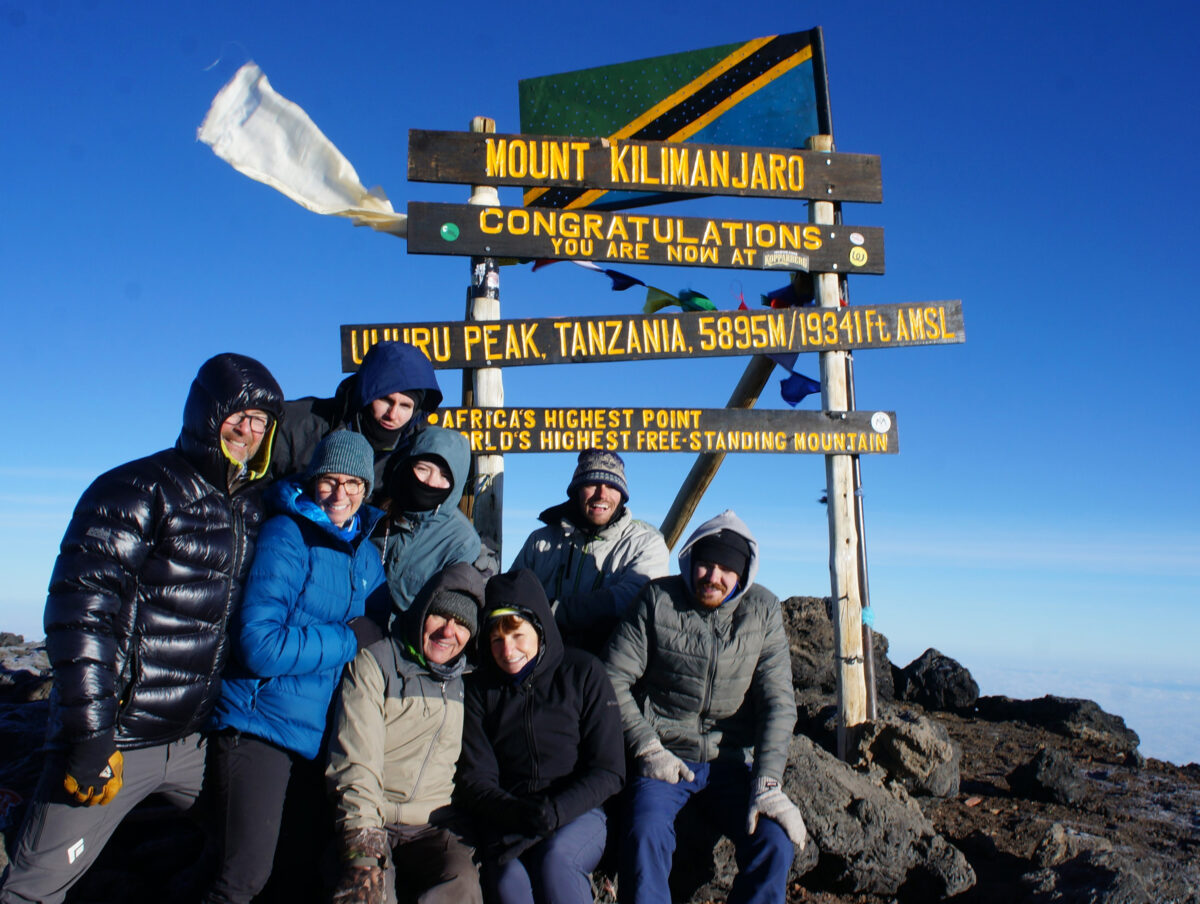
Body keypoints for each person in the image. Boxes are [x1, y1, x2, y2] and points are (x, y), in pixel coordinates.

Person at [0, 353, 284, 904]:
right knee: (34, 887)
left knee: (252, 853)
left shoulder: (253, 508)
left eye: (261, 423)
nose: (248, 431)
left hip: (198, 739)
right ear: (206, 413)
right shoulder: (136, 488)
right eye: (238, 416)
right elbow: (80, 615)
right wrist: (89, 735)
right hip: (121, 738)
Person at [203, 430, 390, 903]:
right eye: (330, 480)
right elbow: (259, 645)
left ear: (366, 489)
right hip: (261, 726)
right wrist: (348, 638)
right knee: (242, 879)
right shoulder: (287, 533)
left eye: (353, 483)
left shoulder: (367, 554)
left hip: (321, 736)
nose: (340, 494)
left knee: (296, 876)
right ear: (312, 480)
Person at [604, 511, 807, 904]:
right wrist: (647, 747)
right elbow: (612, 677)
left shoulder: (763, 611)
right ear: (690, 561)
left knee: (775, 842)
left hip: (730, 763)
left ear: (743, 574)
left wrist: (768, 783)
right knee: (644, 833)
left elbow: (778, 703)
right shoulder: (657, 600)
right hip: (665, 758)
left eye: (726, 569)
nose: (713, 576)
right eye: (705, 564)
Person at [455, 569, 625, 904]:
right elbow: (476, 778)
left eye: (518, 635)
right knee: (507, 882)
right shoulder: (479, 690)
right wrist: (517, 814)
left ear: (540, 628)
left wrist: (555, 811)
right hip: (508, 817)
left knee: (557, 862)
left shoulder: (583, 673)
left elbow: (609, 769)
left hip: (578, 813)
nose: (508, 650)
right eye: (496, 640)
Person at [325, 562, 485, 904]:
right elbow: (355, 760)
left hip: (432, 823)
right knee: (369, 894)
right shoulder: (376, 663)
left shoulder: (466, 680)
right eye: (440, 616)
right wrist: (362, 847)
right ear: (422, 611)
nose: (448, 632)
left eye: (462, 624)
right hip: (373, 816)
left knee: (462, 885)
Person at [510, 449, 668, 654]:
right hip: (539, 661)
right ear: (576, 491)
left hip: (609, 666)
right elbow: (512, 592)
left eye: (612, 486)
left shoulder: (646, 543)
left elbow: (634, 597)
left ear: (622, 495)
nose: (602, 494)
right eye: (591, 484)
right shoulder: (540, 541)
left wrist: (555, 610)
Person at [271, 340, 442, 502]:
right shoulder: (299, 424)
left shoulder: (414, 453)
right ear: (366, 393)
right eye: (385, 400)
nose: (393, 414)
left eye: (405, 406)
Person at [373, 425, 483, 619]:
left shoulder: (461, 540)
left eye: (445, 476)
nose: (431, 482)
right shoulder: (376, 509)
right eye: (423, 469)